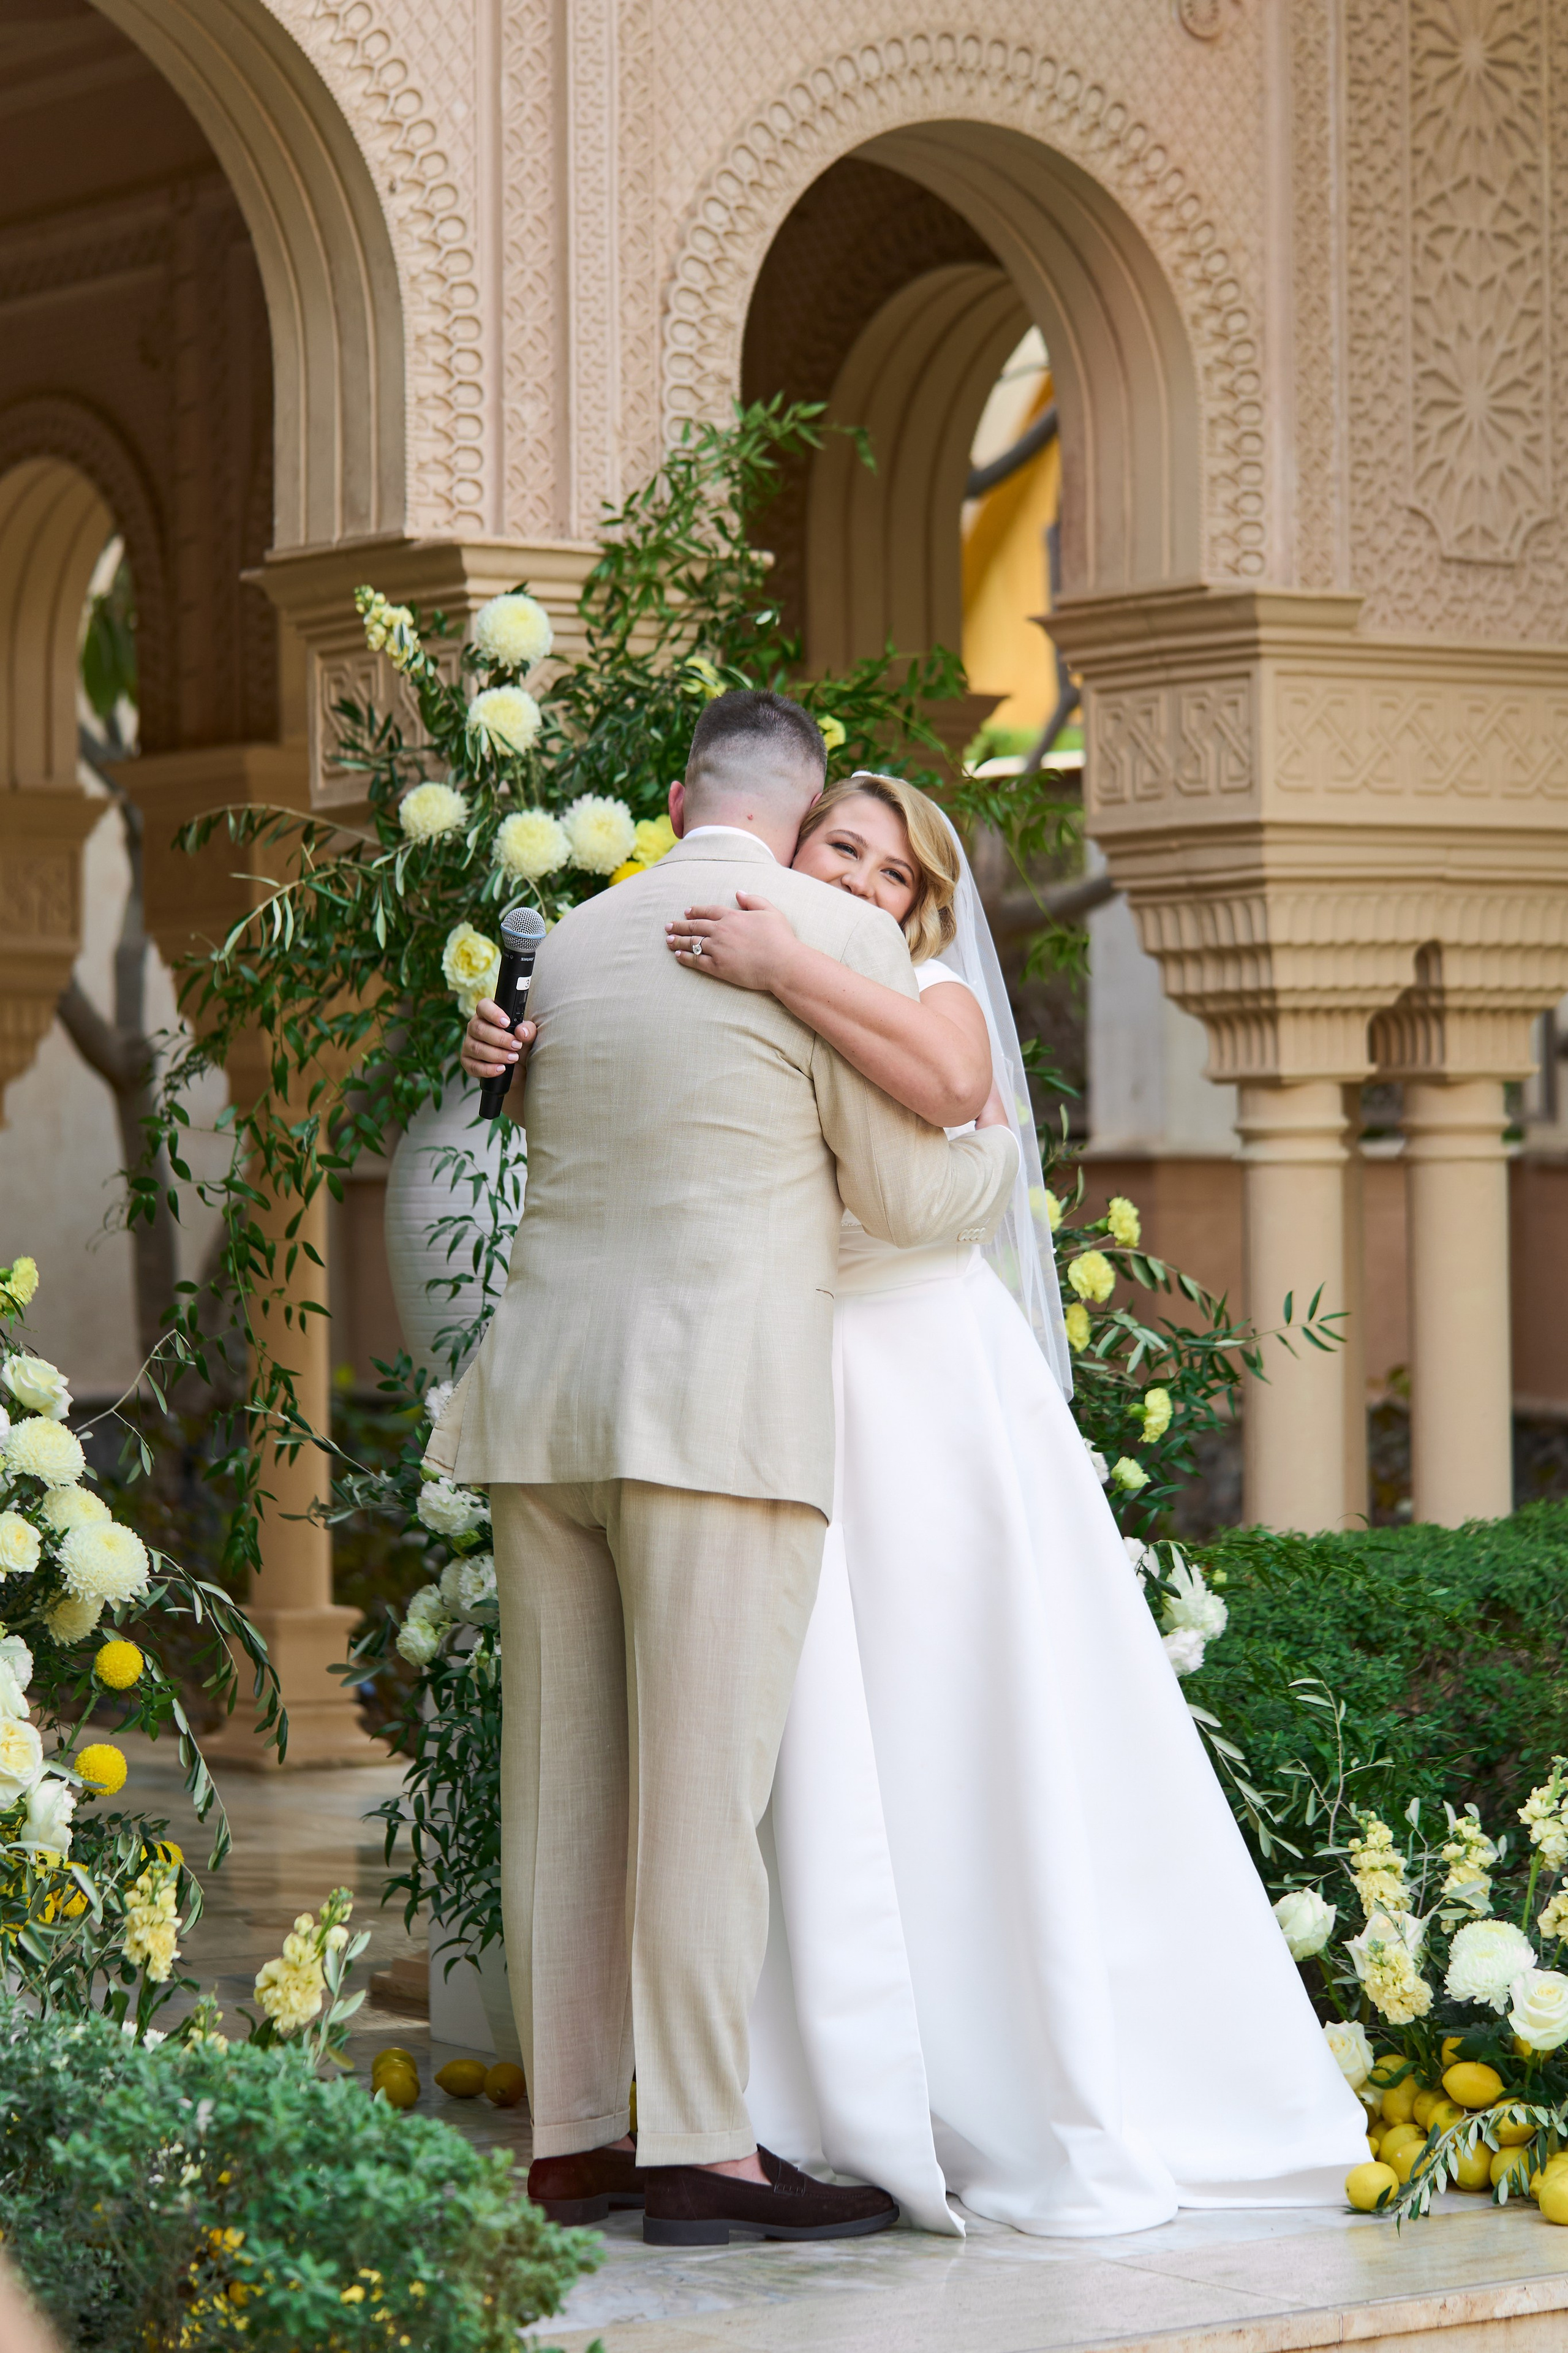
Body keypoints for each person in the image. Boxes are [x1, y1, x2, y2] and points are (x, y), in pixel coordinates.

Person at [466, 767, 1368, 2240]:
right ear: (788, 836)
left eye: (891, 873)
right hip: (753, 1387)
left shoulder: (845, 962)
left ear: (920, 903)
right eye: (841, 848)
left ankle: (670, 2119)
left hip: (876, 1386)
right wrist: (513, 1050)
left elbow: (945, 1121)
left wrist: (812, 985)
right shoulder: (704, 947)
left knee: (906, 1734)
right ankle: (721, 2115)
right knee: (755, 1768)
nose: (862, 883)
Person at [432, 695, 1019, 2248]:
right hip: (713, 1410)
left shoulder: (564, 943)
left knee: (562, 1778)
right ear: (800, 806)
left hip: (542, 1404)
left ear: (676, 791)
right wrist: (997, 1160)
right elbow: (900, 1193)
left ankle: (570, 2141)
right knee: (698, 1790)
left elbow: (526, 1128)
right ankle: (700, 2148)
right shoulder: (820, 932)